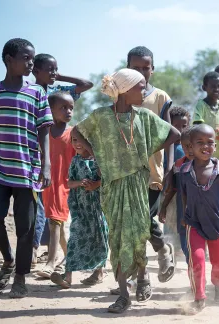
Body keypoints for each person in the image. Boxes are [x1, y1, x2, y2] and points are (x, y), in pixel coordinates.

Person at [72, 68, 181, 313]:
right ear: (124, 89)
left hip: (138, 184)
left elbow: (174, 134)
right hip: (112, 186)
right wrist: (94, 152)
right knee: (119, 238)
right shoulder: (100, 116)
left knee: (139, 233)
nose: (144, 90)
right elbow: (77, 131)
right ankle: (123, 295)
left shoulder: (144, 116)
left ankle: (142, 278)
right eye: (140, 86)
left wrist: (146, 150)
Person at [0, 38, 52, 298]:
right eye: (25, 58)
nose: (30, 63)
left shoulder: (37, 92)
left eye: (32, 58)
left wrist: (46, 164)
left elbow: (44, 130)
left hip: (28, 171)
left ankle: (20, 277)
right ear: (8, 59)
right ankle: (7, 259)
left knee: (25, 227)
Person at [31, 52, 92, 267]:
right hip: (39, 164)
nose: (53, 72)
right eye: (49, 69)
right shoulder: (30, 93)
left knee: (55, 216)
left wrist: (57, 76)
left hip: (62, 172)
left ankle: (52, 260)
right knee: (42, 212)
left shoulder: (59, 93)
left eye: (55, 69)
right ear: (34, 70)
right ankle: (43, 253)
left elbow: (87, 84)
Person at [177, 124, 219, 315]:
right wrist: (186, 212)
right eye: (200, 143)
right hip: (194, 222)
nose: (206, 147)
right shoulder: (185, 171)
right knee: (197, 258)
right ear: (190, 147)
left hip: (217, 223)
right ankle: (199, 297)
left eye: (210, 142)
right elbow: (184, 193)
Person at [127, 46, 176, 283]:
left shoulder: (160, 98)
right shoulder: (119, 94)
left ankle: (160, 250)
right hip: (124, 172)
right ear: (127, 69)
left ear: (152, 70)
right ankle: (142, 273)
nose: (141, 72)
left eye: (145, 68)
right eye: (135, 68)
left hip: (153, 171)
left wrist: (169, 167)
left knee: (142, 219)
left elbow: (170, 135)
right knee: (131, 224)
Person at [50, 135, 108, 289]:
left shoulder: (99, 159)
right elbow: (68, 182)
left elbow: (107, 178)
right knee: (75, 238)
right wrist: (79, 183)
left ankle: (99, 272)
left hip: (98, 208)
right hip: (81, 210)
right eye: (74, 140)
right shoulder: (75, 161)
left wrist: (95, 184)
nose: (78, 144)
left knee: (99, 240)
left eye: (82, 140)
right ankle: (67, 277)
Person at [35, 92, 76, 279]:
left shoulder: (74, 133)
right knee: (55, 224)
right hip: (48, 183)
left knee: (55, 223)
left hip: (67, 184)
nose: (68, 111)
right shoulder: (44, 133)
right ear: (50, 110)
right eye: (63, 108)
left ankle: (51, 262)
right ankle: (71, 259)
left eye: (71, 108)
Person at [159, 126, 194, 264]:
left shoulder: (208, 165)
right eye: (186, 146)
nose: (190, 150)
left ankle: (195, 266)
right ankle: (190, 263)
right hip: (183, 212)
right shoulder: (178, 165)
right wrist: (163, 207)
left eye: (193, 145)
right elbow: (173, 188)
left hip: (201, 213)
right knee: (185, 240)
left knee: (197, 241)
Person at [160, 106, 190, 243]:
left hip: (185, 190)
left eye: (184, 125)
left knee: (183, 216)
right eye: (176, 125)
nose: (181, 129)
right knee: (169, 217)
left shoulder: (189, 147)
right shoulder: (166, 145)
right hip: (168, 189)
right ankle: (170, 246)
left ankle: (183, 245)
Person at [193, 72, 219, 161]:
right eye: (213, 86)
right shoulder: (201, 105)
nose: (217, 89)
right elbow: (197, 128)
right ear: (204, 87)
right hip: (203, 153)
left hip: (218, 156)